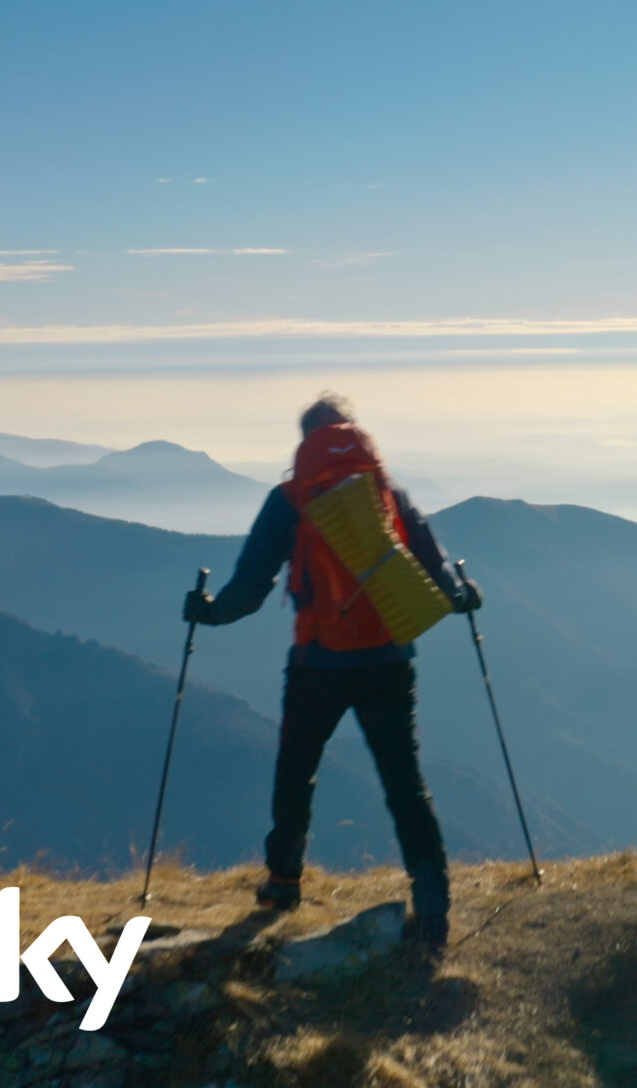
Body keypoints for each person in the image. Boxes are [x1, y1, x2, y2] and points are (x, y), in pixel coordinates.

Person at [182, 393, 480, 951]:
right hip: (390, 661)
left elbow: (250, 588)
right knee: (405, 784)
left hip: (317, 661)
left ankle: (283, 882)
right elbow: (439, 580)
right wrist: (465, 595)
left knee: (297, 771)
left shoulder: (291, 498)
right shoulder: (387, 494)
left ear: (305, 440)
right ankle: (433, 905)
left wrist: (208, 613)